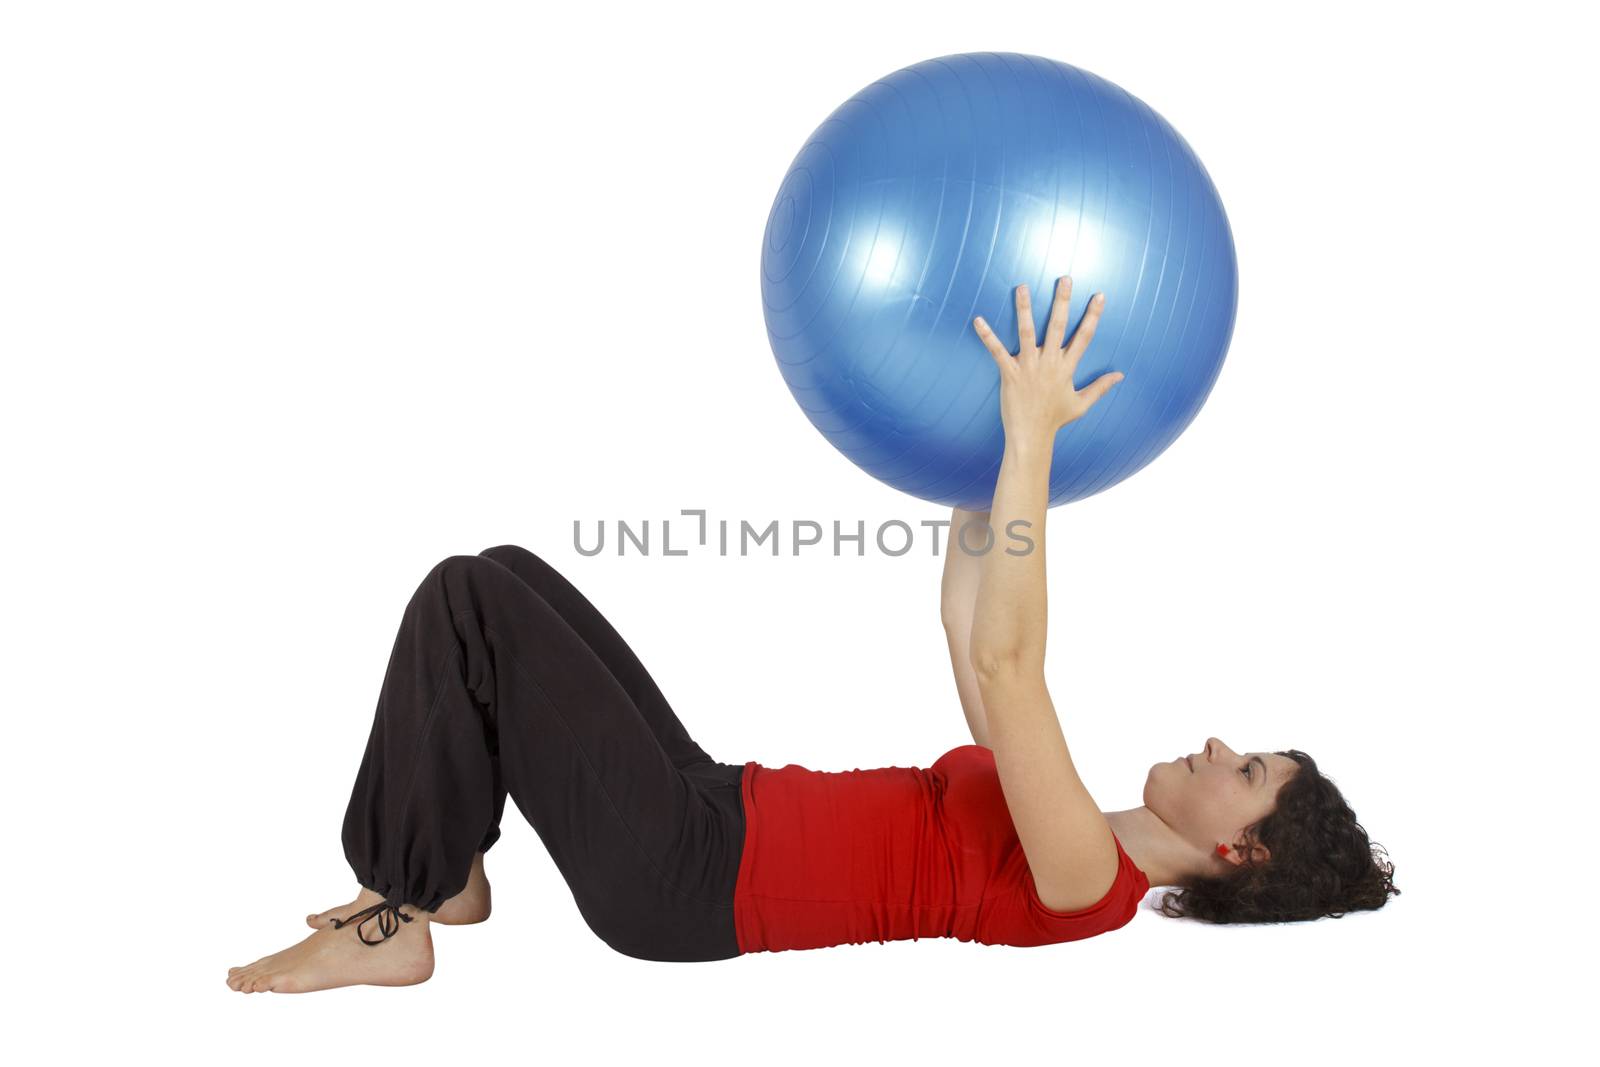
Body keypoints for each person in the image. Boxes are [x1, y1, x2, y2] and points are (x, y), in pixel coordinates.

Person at [226, 277, 1398, 994]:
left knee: (464, 604)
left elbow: (1008, 661)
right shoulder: (1073, 818)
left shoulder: (1085, 881)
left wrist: (1033, 436)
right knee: (503, 576)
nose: (1214, 742)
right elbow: (964, 625)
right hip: (710, 803)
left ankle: (401, 911)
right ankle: (451, 877)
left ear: (1240, 851)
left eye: (1243, 769)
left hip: (684, 875)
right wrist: (974, 464)